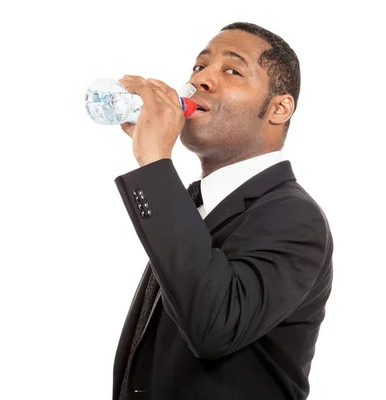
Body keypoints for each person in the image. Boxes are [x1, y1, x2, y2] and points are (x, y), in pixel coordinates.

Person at [111, 22, 333, 400]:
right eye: (199, 67)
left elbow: (214, 327)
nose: (201, 80)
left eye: (232, 70)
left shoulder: (295, 217)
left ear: (279, 108)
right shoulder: (193, 205)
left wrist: (153, 163)